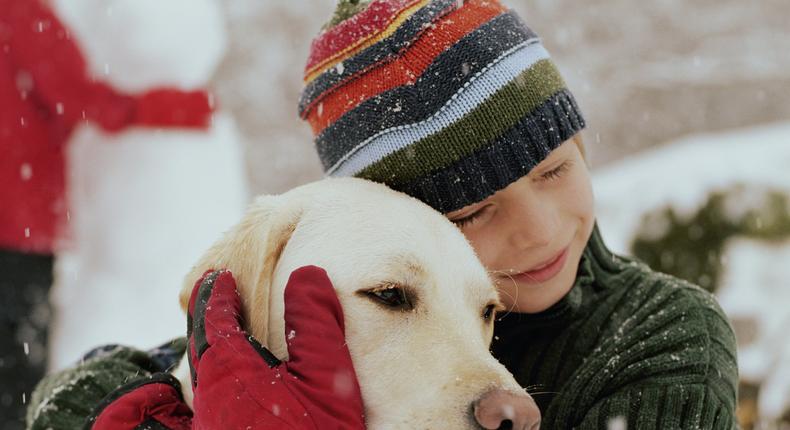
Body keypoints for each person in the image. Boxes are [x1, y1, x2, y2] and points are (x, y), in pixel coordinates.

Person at [297, 0, 738, 428]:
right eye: (473, 212)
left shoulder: (666, 337)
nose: (539, 231)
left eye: (554, 170)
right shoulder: (348, 346)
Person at [1, 1, 213, 428]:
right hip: (15, 220)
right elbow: (73, 96)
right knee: (16, 364)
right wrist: (162, 108)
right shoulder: (19, 12)